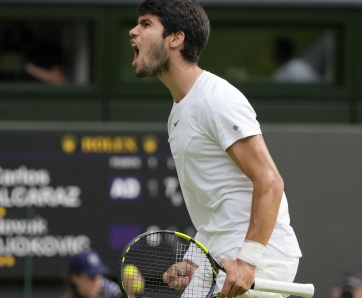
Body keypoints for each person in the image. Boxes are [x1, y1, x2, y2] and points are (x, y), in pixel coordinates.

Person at [128, 1, 302, 297]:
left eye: (146, 24)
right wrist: (194, 260)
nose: (133, 31)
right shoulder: (178, 114)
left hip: (260, 256)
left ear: (175, 38)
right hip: (222, 253)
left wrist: (248, 261)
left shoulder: (216, 98)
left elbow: (270, 182)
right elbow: (215, 206)